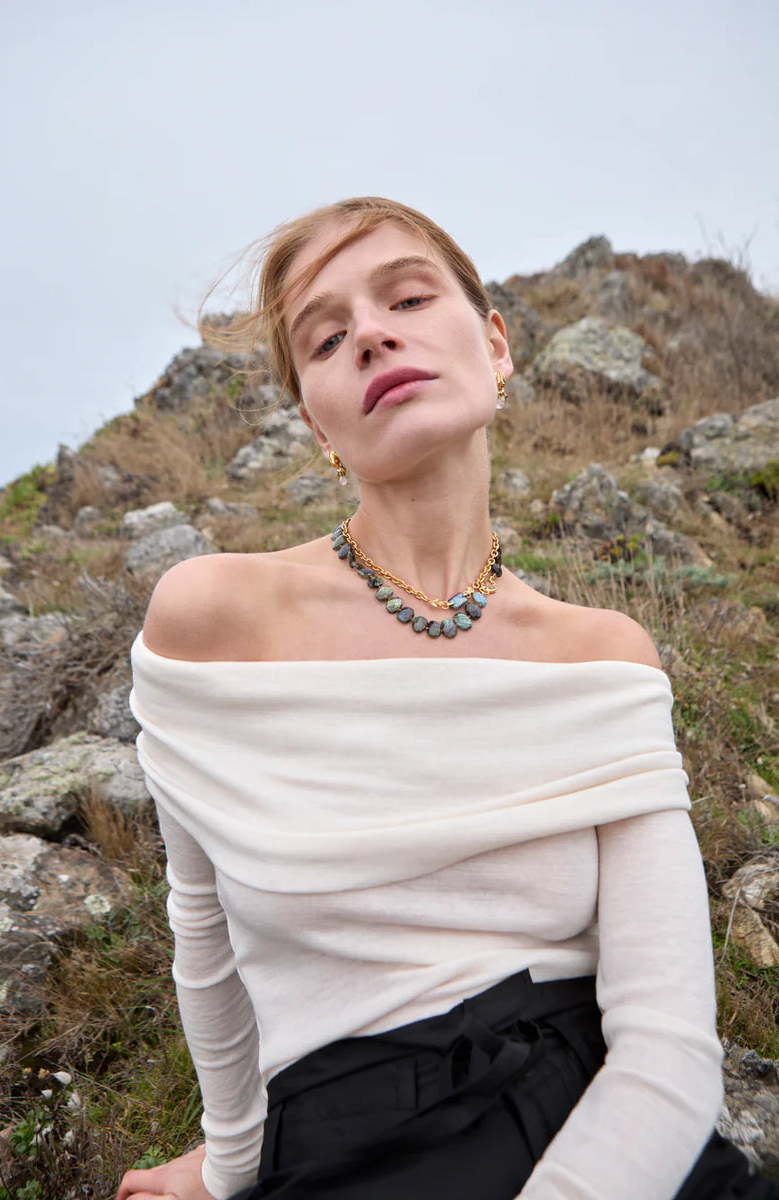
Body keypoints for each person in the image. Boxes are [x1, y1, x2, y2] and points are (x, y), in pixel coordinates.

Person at [117, 197, 779, 1200]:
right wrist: (228, 1165)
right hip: (350, 1149)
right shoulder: (214, 617)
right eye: (326, 338)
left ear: (495, 345)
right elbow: (203, 932)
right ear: (318, 421)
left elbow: (667, 1046)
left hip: (617, 1138)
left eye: (408, 298)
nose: (370, 334)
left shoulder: (601, 656)